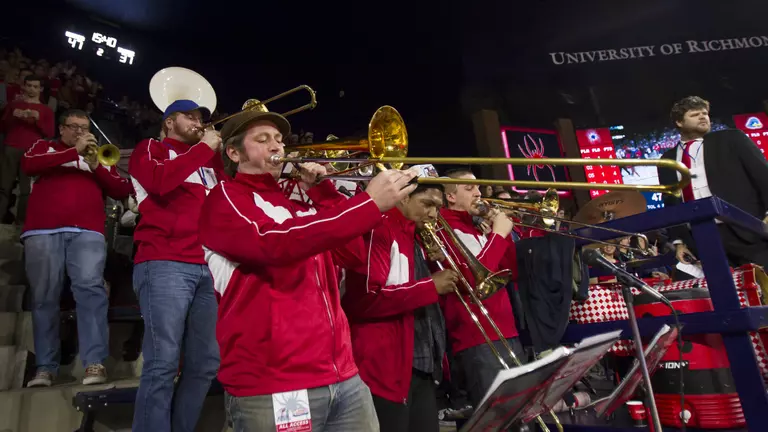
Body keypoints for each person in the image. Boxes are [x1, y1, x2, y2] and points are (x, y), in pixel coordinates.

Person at [199, 109, 417, 432]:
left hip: (345, 378)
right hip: (277, 385)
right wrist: (368, 203)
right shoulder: (224, 198)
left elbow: (354, 256)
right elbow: (272, 244)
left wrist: (323, 192)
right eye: (263, 139)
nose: (277, 146)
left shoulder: (299, 205)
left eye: (279, 139)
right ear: (234, 153)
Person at [128, 99, 224, 432]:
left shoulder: (208, 160)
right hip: (164, 260)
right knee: (163, 362)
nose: (199, 123)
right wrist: (204, 149)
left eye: (201, 118)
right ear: (170, 122)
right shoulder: (151, 148)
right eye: (191, 116)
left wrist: (220, 153)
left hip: (207, 265)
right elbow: (158, 182)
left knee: (206, 363)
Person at [21, 109, 132, 387]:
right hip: (42, 230)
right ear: (62, 129)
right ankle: (45, 367)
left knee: (91, 292)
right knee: (44, 298)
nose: (81, 132)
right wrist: (73, 153)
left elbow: (121, 189)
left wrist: (95, 165)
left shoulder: (98, 157)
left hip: (88, 232)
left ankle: (94, 362)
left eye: (85, 128)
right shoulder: (45, 147)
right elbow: (28, 165)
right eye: (74, 127)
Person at [341, 165, 457, 432]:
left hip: (420, 364)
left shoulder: (412, 234)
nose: (433, 214)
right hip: (384, 368)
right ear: (403, 197)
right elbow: (365, 300)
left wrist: (432, 266)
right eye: (427, 204)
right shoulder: (380, 228)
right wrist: (430, 286)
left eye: (438, 207)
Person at [438, 168, 519, 409]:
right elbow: (471, 280)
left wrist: (502, 234)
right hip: (476, 334)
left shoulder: (477, 227)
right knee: (495, 415)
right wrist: (498, 235)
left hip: (506, 327)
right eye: (469, 188)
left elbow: (511, 271)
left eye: (479, 187)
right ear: (451, 196)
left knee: (517, 411)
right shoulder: (443, 227)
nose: (478, 193)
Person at [658, 96, 768, 269]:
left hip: (747, 230)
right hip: (701, 237)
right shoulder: (667, 159)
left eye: (705, 113)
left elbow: (763, 175)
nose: (703, 117)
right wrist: (679, 241)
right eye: (695, 115)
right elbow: (671, 203)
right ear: (679, 122)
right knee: (725, 285)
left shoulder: (732, 138)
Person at [0, 74, 54, 224]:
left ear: (40, 89)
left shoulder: (46, 110)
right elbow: (3, 127)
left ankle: (21, 224)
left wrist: (38, 119)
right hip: (11, 147)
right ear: (23, 86)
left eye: (35, 86)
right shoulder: (14, 105)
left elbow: (50, 133)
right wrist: (12, 116)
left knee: (26, 191)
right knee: (3, 187)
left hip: (32, 153)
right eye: (29, 85)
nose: (31, 89)